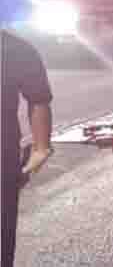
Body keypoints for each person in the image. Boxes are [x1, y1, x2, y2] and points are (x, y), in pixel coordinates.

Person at [2, 33, 54, 267]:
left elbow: (38, 99)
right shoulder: (16, 48)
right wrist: (40, 149)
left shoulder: (15, 49)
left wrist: (41, 148)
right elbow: (39, 99)